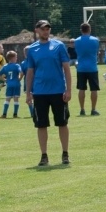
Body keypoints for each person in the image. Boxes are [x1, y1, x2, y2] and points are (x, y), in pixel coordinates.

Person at [25, 20, 73, 166]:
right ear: (37, 30)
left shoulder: (58, 46)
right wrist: (28, 92)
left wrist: (69, 89)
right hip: (40, 92)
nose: (46, 31)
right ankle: (44, 155)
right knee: (41, 124)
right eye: (43, 29)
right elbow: (30, 72)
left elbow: (66, 68)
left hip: (58, 91)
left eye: (48, 28)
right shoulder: (32, 49)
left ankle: (65, 153)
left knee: (62, 123)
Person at [74, 22, 101, 116]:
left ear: (81, 30)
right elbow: (96, 51)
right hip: (92, 68)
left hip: (81, 68)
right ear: (89, 29)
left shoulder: (76, 41)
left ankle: (82, 109)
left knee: (81, 89)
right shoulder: (95, 40)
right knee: (94, 90)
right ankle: (93, 109)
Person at [0, 50, 22, 119]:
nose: (16, 58)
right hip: (16, 84)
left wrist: (5, 80)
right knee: (16, 99)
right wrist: (20, 78)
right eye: (16, 57)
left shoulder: (5, 66)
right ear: (13, 58)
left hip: (9, 84)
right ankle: (15, 114)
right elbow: (21, 72)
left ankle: (4, 114)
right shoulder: (17, 65)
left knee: (7, 99)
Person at [20, 46, 34, 119]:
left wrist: (19, 80)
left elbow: (22, 73)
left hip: (27, 82)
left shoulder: (23, 63)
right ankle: (34, 112)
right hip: (35, 81)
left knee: (29, 97)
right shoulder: (35, 60)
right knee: (35, 97)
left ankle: (32, 112)